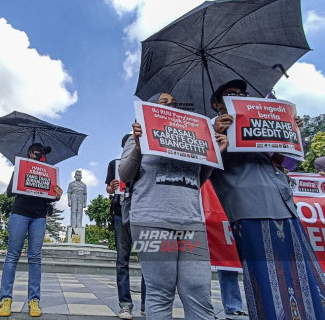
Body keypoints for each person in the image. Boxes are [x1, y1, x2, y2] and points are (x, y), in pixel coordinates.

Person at [210, 79, 325, 319]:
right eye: (230, 94)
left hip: (283, 205)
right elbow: (206, 166)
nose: (237, 96)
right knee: (267, 279)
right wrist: (216, 134)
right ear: (216, 104)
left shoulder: (255, 124)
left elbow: (275, 162)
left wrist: (290, 132)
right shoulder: (211, 128)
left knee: (303, 274)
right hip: (250, 209)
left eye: (242, 93)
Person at [119, 92, 229, 319]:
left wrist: (214, 154)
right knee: (160, 291)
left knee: (199, 289)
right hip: (151, 221)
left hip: (191, 222)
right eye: (164, 102)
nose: (171, 105)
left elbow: (197, 181)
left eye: (174, 102)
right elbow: (125, 174)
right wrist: (139, 147)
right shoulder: (137, 137)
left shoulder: (194, 137)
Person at [0, 143, 63, 317]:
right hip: (19, 213)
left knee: (35, 258)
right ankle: (6, 299)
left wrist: (57, 195)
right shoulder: (21, 167)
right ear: (30, 153)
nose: (41, 155)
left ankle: (34, 300)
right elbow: (9, 192)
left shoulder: (48, 171)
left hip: (39, 216)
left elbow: (50, 197)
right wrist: (23, 175)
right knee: (12, 256)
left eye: (43, 154)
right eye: (37, 153)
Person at [106, 134, 146, 319]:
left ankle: (147, 303)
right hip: (120, 211)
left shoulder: (146, 159)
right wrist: (110, 189)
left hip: (142, 211)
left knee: (148, 259)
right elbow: (109, 188)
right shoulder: (114, 164)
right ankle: (125, 304)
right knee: (122, 260)